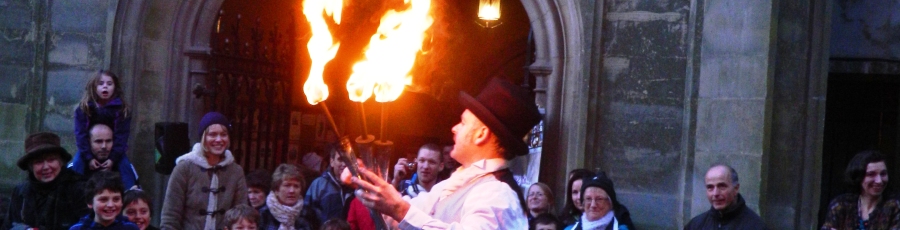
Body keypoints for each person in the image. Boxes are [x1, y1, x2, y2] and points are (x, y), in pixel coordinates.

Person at [352, 78, 541, 229]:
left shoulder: (497, 193)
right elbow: (405, 215)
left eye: (463, 123)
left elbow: (404, 212)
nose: (454, 128)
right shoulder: (457, 182)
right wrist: (373, 185)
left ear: (481, 134)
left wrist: (399, 209)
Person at [161, 112, 248, 230]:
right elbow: (170, 216)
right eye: (212, 134)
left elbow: (240, 216)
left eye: (224, 134)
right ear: (203, 137)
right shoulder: (184, 169)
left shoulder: (236, 172)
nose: (219, 139)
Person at [3, 132, 89, 230]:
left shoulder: (78, 189)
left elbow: (89, 224)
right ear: (31, 167)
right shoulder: (21, 193)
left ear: (60, 162)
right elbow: (8, 226)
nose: (46, 167)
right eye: (39, 162)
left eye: (51, 160)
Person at [72, 70, 133, 184]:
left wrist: (113, 158)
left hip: (114, 151)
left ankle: (130, 190)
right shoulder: (84, 109)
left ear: (115, 87)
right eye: (100, 84)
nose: (105, 86)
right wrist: (88, 157)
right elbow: (80, 135)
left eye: (109, 84)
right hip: (88, 150)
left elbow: (122, 136)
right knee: (77, 164)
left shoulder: (121, 110)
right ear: (94, 87)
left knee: (126, 169)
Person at [822, 150, 900, 229]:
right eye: (871, 174)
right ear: (858, 177)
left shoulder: (894, 207)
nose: (879, 181)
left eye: (883, 174)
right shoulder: (841, 204)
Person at [684, 164, 766, 230]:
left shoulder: (756, 226)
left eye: (722, 186)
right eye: (710, 187)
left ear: (736, 188)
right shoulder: (695, 225)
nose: (715, 193)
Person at [69, 123, 140, 189]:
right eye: (98, 141)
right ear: (89, 142)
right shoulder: (74, 167)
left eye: (108, 141)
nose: (104, 146)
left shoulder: (126, 167)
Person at [69, 171, 140, 230]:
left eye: (116, 199)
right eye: (103, 199)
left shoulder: (130, 228)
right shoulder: (78, 228)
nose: (110, 205)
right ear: (90, 202)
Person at [258, 164, 317, 230]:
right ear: (276, 190)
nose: (292, 191)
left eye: (296, 186)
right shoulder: (263, 214)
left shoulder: (308, 214)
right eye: (287, 185)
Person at [305, 145, 353, 224]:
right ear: (332, 161)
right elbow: (306, 215)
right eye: (340, 159)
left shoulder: (356, 186)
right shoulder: (319, 185)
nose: (344, 164)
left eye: (348, 160)